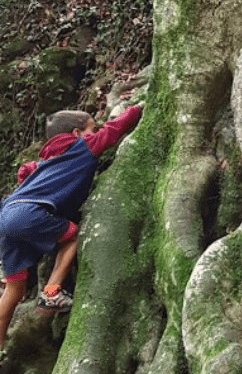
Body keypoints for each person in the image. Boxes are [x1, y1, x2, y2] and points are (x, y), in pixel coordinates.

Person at [0, 103, 142, 353]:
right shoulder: (81, 147)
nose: (95, 133)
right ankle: (52, 291)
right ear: (77, 134)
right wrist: (137, 108)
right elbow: (115, 128)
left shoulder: (45, 162)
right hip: (27, 214)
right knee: (74, 235)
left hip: (7, 214)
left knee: (14, 290)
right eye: (91, 129)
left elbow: (24, 172)